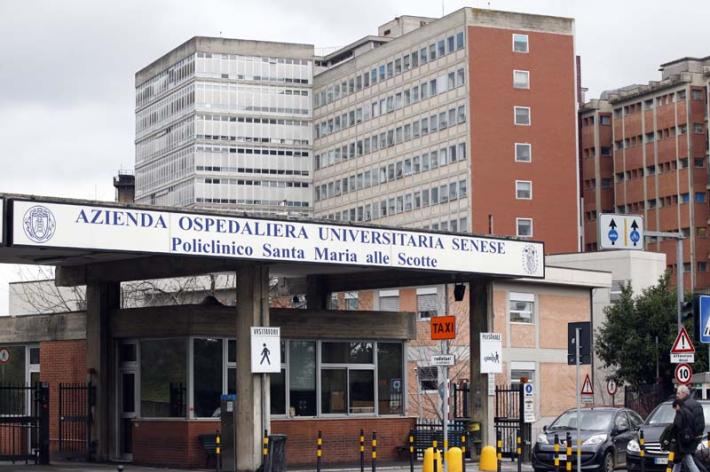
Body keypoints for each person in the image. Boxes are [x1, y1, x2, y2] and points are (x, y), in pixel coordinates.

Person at [673, 386, 706, 472]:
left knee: (686, 458)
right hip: (695, 437)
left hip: (685, 438)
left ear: (684, 393)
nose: (677, 395)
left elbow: (680, 424)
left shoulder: (683, 406)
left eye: (678, 393)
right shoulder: (697, 404)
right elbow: (700, 423)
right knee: (681, 459)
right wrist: (698, 435)